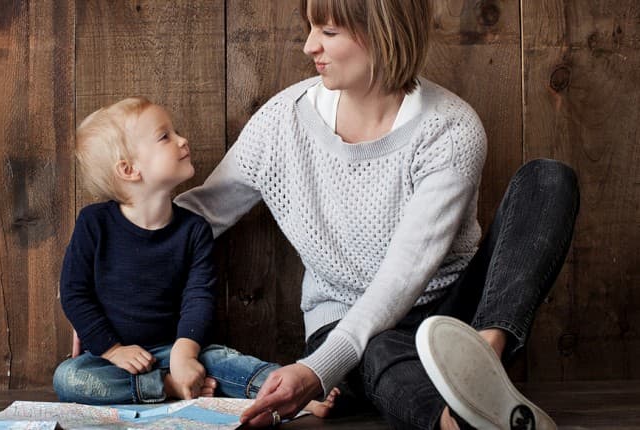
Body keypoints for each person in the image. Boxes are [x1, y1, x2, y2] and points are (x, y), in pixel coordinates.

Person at [174, 0, 579, 429]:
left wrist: (313, 372)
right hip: (345, 324)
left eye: (329, 32)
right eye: (311, 28)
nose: (310, 46)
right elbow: (199, 215)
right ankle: (458, 420)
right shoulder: (282, 123)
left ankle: (482, 364)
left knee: (548, 180)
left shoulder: (450, 129)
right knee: (380, 347)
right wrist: (100, 249)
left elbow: (403, 275)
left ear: (384, 34)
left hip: (453, 315)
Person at [53, 97, 338, 416]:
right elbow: (75, 293)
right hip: (114, 359)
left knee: (226, 362)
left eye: (175, 132)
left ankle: (295, 394)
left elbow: (198, 297)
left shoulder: (193, 230)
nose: (182, 140)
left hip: (177, 347)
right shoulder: (95, 224)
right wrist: (113, 349)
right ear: (129, 169)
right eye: (165, 136)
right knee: (69, 379)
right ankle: (166, 387)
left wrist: (185, 354)